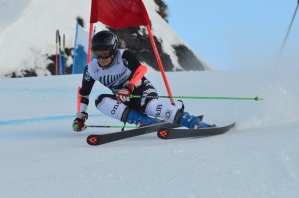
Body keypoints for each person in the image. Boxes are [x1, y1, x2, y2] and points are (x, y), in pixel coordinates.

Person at [72, 30, 213, 132]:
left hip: (142, 90)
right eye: (97, 54)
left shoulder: (123, 56)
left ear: (114, 50)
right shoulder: (91, 69)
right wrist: (81, 115)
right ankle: (143, 121)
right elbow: (84, 93)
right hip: (123, 99)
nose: (101, 58)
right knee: (100, 101)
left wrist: (129, 87)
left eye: (106, 54)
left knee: (151, 107)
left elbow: (141, 70)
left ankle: (193, 122)